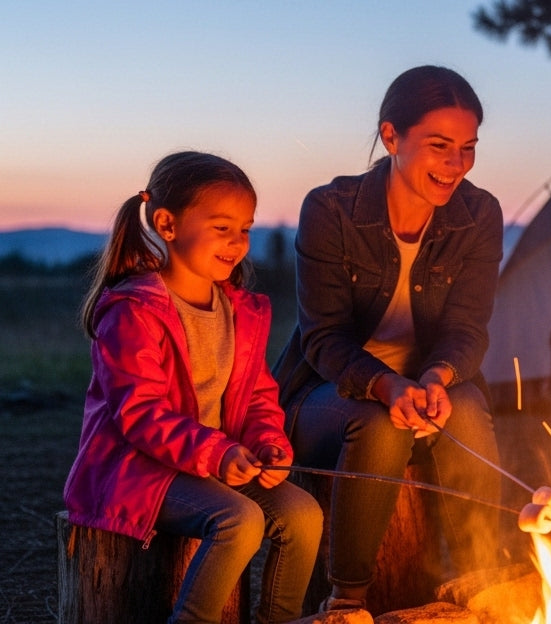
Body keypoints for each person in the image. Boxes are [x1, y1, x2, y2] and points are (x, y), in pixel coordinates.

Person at [273, 65, 505, 612]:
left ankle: (484, 583)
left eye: (468, 148)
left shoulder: (478, 215)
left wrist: (435, 377)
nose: (456, 165)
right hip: (326, 396)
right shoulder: (331, 210)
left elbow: (468, 328)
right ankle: (348, 601)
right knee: (378, 422)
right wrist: (385, 385)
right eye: (440, 145)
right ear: (391, 136)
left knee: (468, 411)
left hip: (426, 387)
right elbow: (323, 339)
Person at [64, 151, 321, 624]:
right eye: (222, 227)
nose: (237, 242)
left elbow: (260, 395)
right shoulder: (134, 311)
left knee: (303, 515)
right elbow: (141, 415)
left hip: (214, 462)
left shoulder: (240, 311)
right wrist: (218, 452)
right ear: (166, 223)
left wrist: (268, 444)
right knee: (239, 521)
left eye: (244, 228)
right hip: (139, 471)